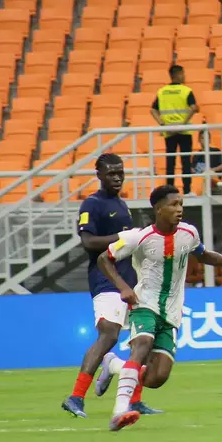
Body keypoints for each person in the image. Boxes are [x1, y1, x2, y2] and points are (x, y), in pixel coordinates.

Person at [95, 185, 222, 431]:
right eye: (174, 205)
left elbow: (205, 255)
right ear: (158, 209)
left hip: (172, 311)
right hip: (144, 304)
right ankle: (119, 411)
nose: (179, 209)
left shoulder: (188, 233)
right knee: (141, 346)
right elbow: (104, 259)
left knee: (157, 378)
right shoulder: (139, 237)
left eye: (181, 204)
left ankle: (113, 365)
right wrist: (123, 287)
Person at [61, 154, 158, 418]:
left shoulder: (121, 204)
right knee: (109, 335)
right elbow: (89, 243)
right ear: (99, 175)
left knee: (143, 340)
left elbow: (125, 246)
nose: (117, 177)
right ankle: (76, 396)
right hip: (106, 280)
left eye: (120, 172)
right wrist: (124, 236)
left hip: (130, 281)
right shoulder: (92, 205)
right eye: (111, 173)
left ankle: (135, 400)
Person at [151, 64, 198, 195]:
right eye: (182, 73)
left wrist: (162, 124)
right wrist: (183, 122)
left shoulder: (162, 92)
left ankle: (170, 191)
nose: (184, 76)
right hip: (184, 131)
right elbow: (194, 108)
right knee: (185, 162)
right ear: (177, 75)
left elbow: (152, 110)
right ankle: (187, 190)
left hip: (169, 131)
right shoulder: (186, 91)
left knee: (170, 162)